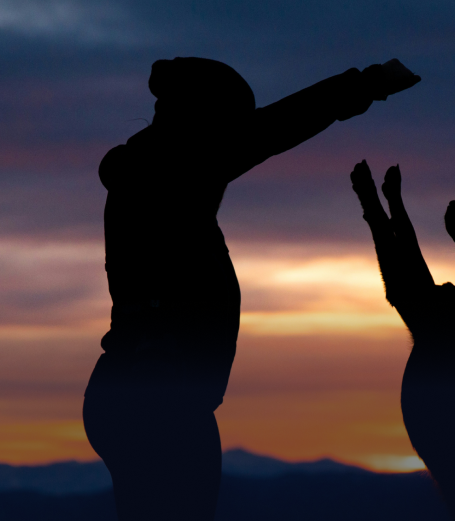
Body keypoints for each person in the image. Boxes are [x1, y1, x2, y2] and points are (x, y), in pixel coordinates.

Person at [83, 57, 420, 520]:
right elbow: (276, 128)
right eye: (228, 126)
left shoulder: (155, 174)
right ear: (203, 119)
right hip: (159, 393)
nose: (232, 139)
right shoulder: (175, 169)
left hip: (139, 386)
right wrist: (366, 85)